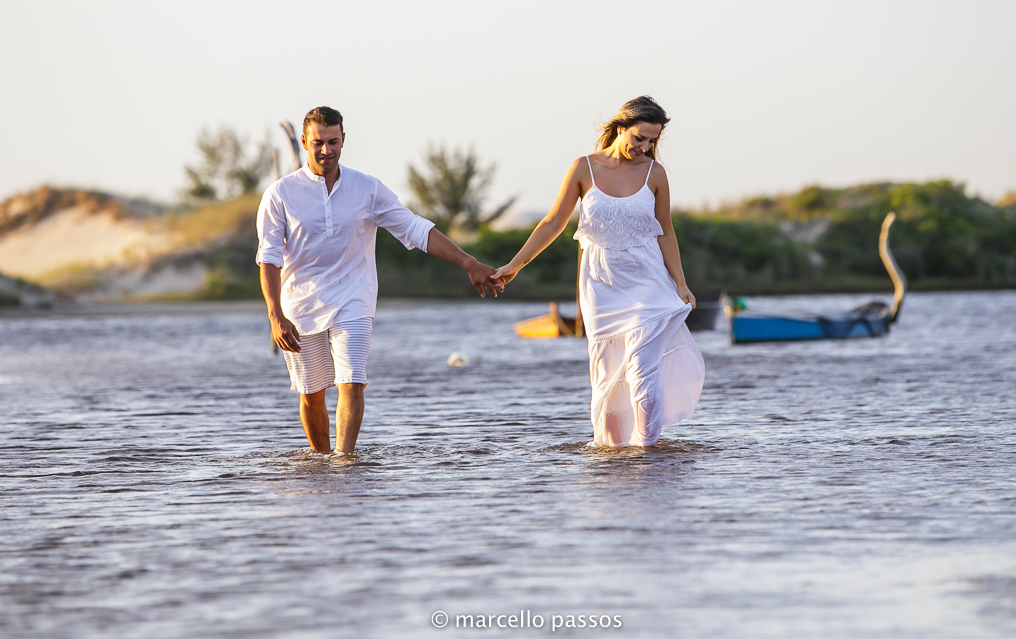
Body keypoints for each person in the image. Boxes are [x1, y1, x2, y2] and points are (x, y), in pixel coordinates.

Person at [257, 106, 502, 455]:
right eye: (318, 143)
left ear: (343, 140)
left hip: (354, 298)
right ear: (305, 142)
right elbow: (269, 258)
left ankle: (343, 462)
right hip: (301, 303)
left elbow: (414, 227)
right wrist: (275, 315)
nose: (326, 150)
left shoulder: (367, 189)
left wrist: (468, 262)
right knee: (311, 393)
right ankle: (321, 462)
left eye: (333, 142)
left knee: (352, 381)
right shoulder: (280, 193)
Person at [494, 96, 705, 447]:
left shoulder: (655, 174)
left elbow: (666, 231)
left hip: (648, 281)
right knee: (607, 374)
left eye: (652, 141)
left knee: (641, 368)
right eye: (639, 138)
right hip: (601, 285)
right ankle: (612, 452)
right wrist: (514, 265)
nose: (644, 147)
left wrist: (680, 283)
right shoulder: (583, 168)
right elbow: (552, 223)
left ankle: (647, 450)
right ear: (620, 128)